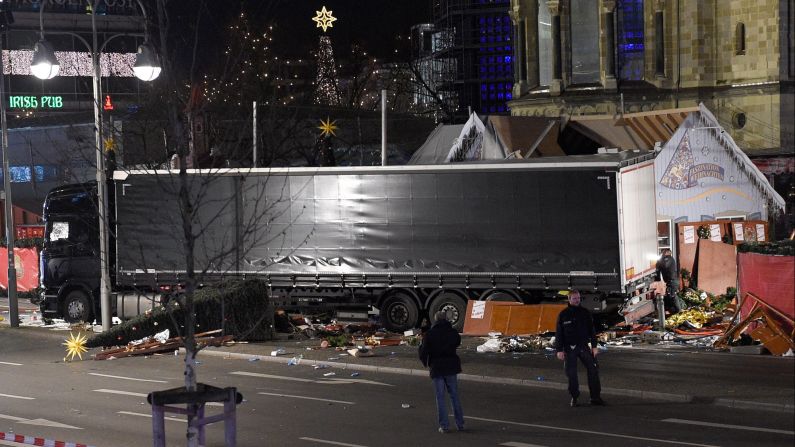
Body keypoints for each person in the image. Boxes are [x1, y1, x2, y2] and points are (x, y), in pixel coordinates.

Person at [554, 290, 604, 407]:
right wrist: (559, 350)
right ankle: (574, 397)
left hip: (583, 346)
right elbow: (559, 333)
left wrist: (594, 346)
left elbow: (592, 330)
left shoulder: (585, 313)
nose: (577, 300)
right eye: (575, 298)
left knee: (593, 370)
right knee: (571, 374)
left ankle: (595, 398)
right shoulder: (563, 314)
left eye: (578, 298)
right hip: (569, 348)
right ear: (569, 299)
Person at [419, 310, 465, 433]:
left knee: (440, 397)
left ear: (435, 320)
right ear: (446, 319)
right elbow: (457, 342)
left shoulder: (430, 334)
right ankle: (460, 424)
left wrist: (426, 363)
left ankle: (444, 425)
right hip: (451, 367)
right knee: (454, 396)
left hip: (437, 367)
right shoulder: (453, 332)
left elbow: (423, 352)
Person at [656, 249, 682, 313]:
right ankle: (673, 310)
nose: (662, 253)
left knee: (672, 295)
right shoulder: (666, 259)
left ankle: (678, 311)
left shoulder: (669, 258)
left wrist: (660, 260)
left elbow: (665, 265)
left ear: (668, 253)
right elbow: (660, 268)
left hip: (672, 281)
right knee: (669, 296)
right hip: (671, 281)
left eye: (664, 252)